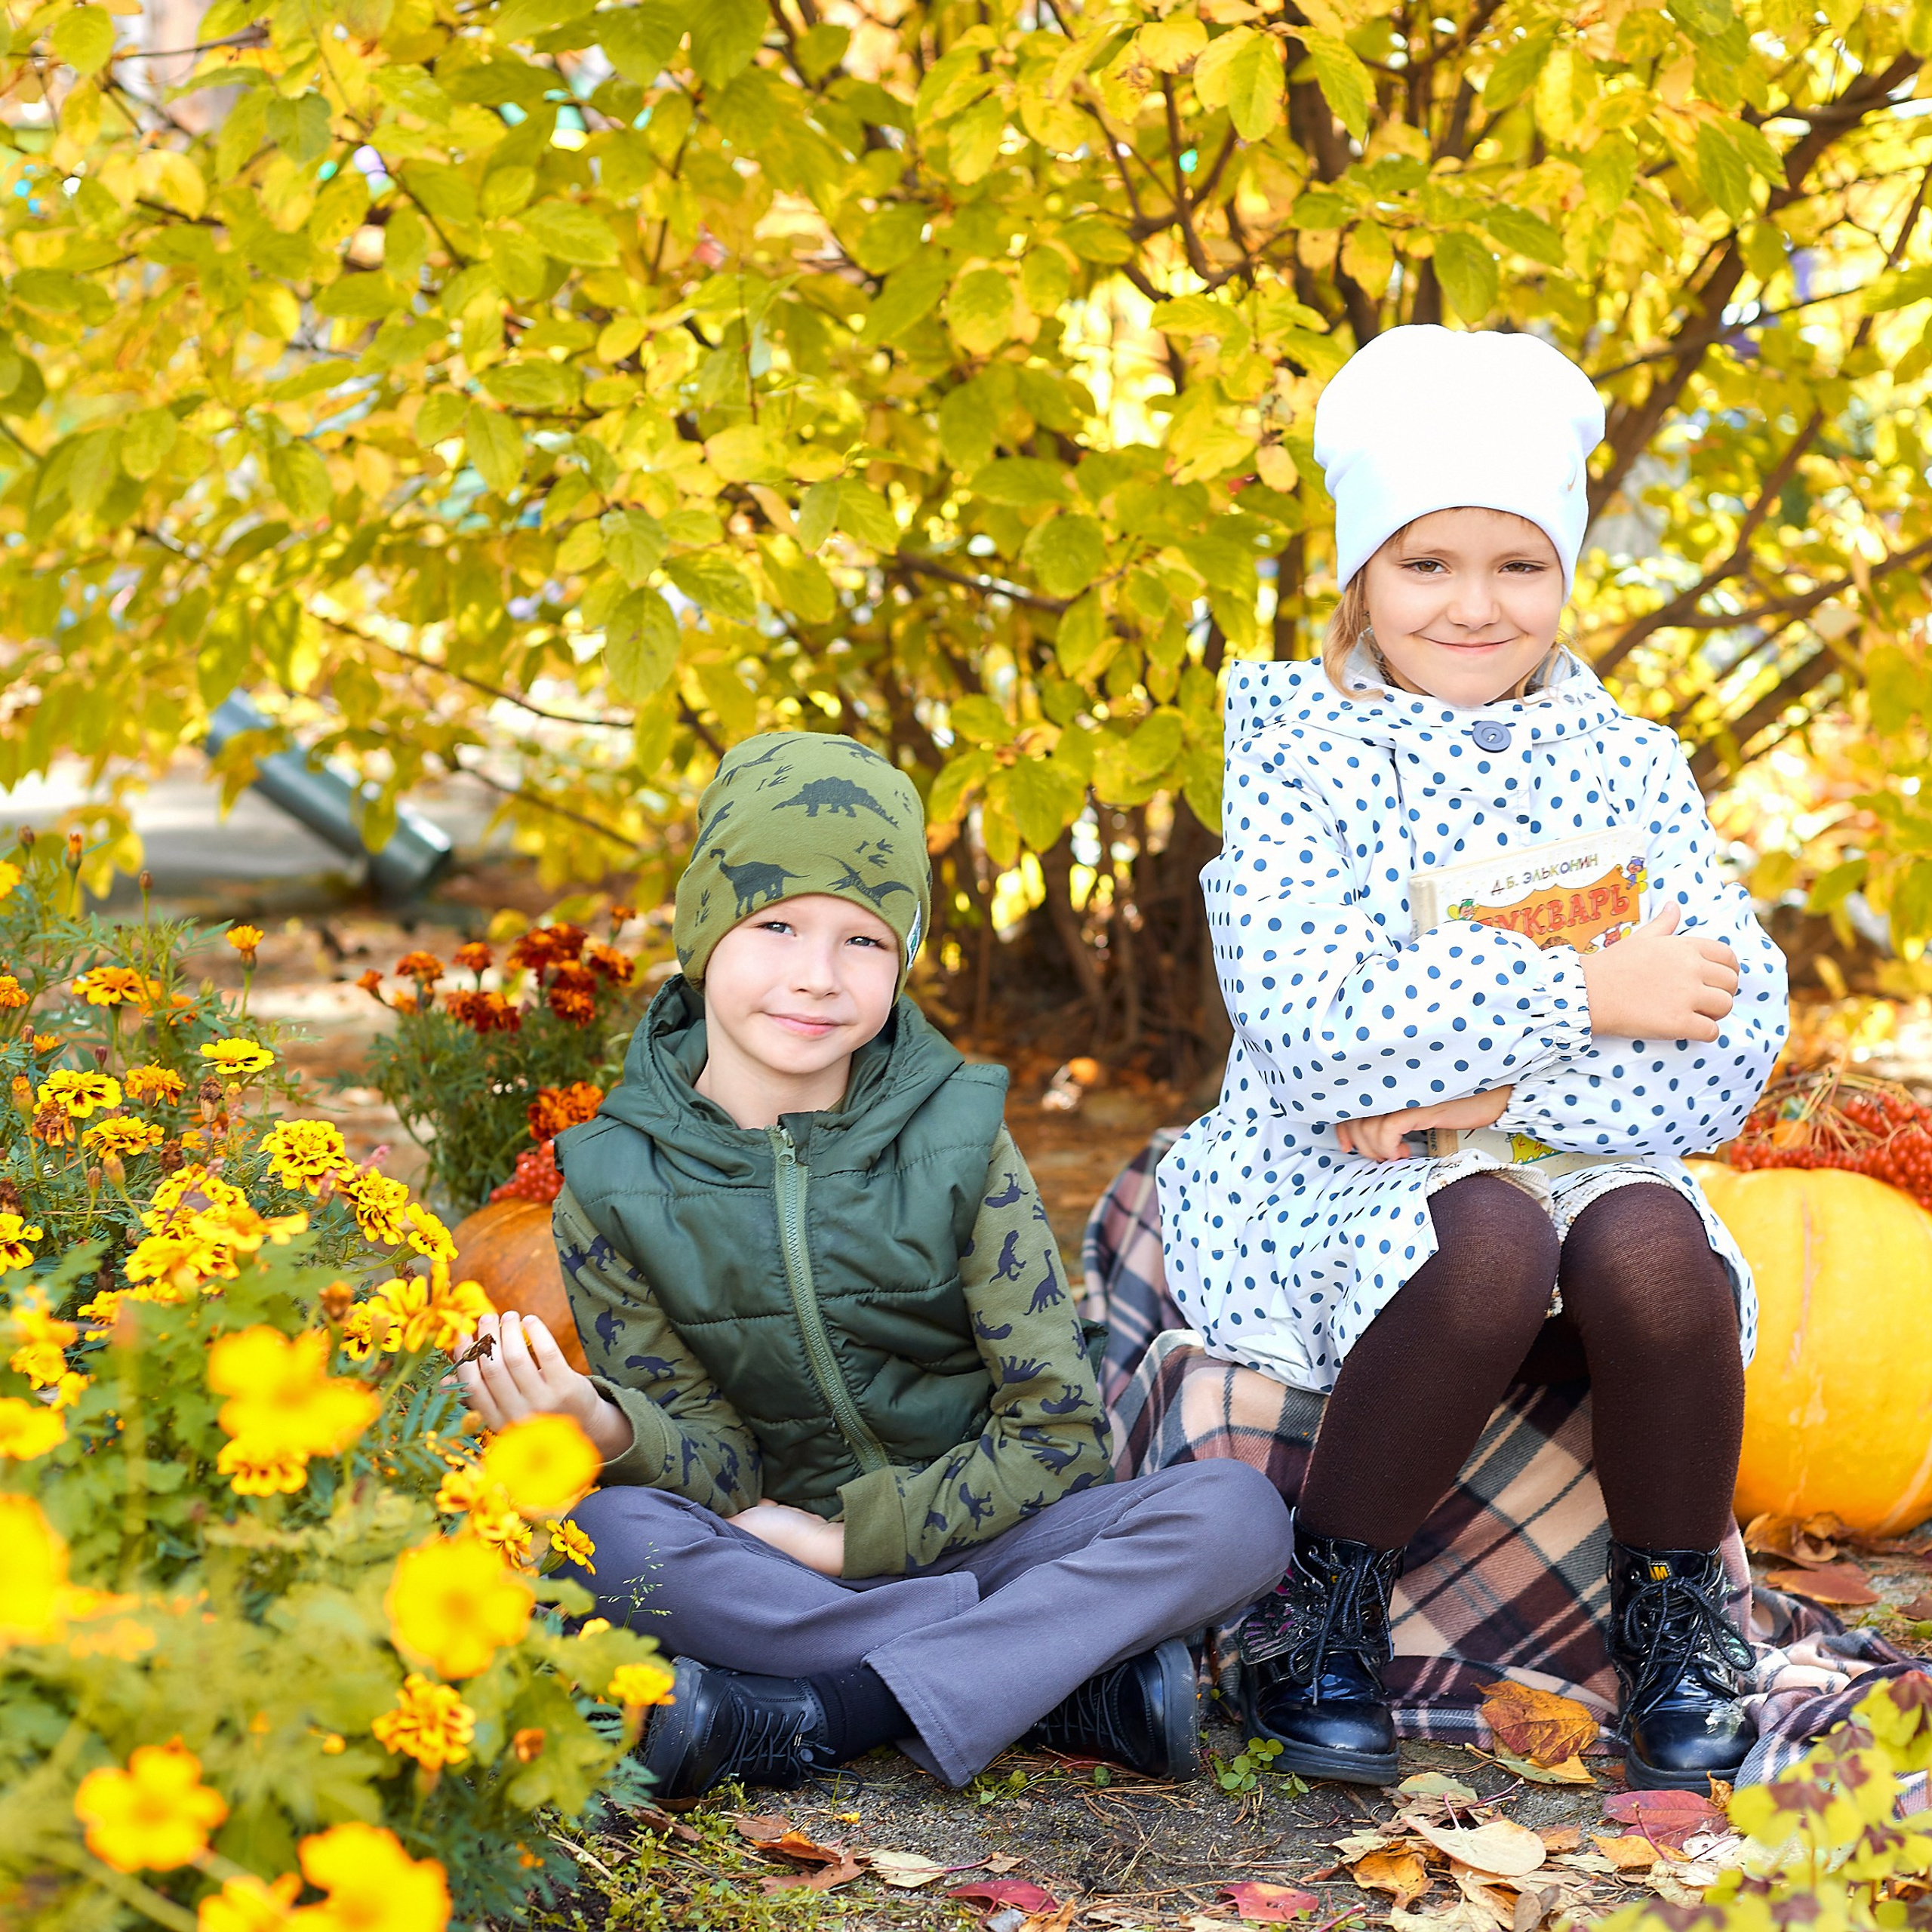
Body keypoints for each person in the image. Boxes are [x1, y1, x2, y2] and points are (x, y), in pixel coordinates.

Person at [1158, 327, 1788, 1792]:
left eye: (1516, 563)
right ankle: (1318, 1615)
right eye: (1423, 561)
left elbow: (1727, 1043)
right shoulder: (1301, 746)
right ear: (1359, 574)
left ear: (1564, 574)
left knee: (1658, 1252)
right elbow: (1313, 1040)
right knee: (1489, 1237)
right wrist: (1587, 991)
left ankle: (1673, 1614)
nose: (1469, 602)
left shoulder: (1627, 761)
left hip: (1570, 1149)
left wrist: (1474, 1085)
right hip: (1326, 1172)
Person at [454, 731, 1294, 1797]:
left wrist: (845, 1548)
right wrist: (605, 1426)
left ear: (902, 961)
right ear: (706, 930)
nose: (817, 976)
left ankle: (827, 1710)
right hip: (759, 1559)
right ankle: (1058, 1683)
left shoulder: (958, 1136)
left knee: (1235, 1517)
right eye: (777, 925)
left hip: (987, 1537)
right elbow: (720, 1467)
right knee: (605, 1539)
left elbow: (1060, 1438)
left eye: (864, 941)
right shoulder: (612, 1182)